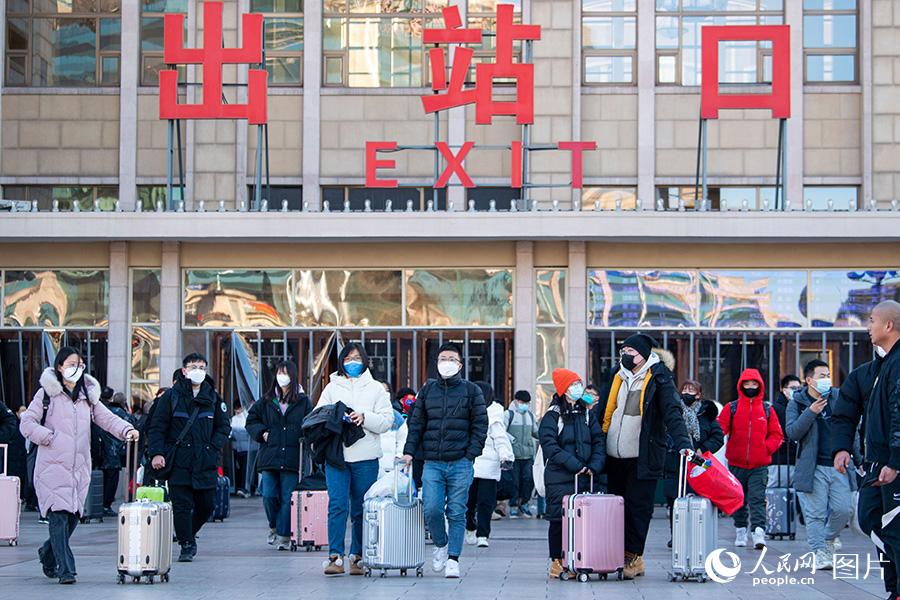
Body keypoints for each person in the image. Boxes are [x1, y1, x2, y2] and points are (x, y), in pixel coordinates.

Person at [19, 347, 138, 584]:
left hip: (78, 468)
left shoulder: (88, 396)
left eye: (80, 364)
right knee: (59, 516)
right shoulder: (46, 395)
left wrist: (126, 430)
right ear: (60, 367)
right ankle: (66, 570)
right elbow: (27, 424)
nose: (77, 368)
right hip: (52, 467)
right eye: (72, 364)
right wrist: (49, 437)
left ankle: (47, 553)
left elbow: (107, 419)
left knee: (72, 517)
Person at [598, 334, 691, 579]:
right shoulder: (617, 375)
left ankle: (634, 556)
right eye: (623, 351)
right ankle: (617, 553)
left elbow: (672, 412)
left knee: (638, 508)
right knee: (617, 508)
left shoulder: (659, 377)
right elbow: (604, 409)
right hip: (614, 455)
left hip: (643, 455)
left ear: (644, 354)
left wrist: (683, 441)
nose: (626, 355)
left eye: (631, 351)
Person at [402, 343, 488, 579]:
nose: (446, 362)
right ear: (437, 363)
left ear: (460, 364)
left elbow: (480, 425)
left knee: (457, 511)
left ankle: (453, 558)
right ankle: (440, 543)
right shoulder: (428, 390)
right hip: (433, 462)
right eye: (442, 358)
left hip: (461, 462)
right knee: (431, 508)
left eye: (451, 358)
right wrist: (409, 451)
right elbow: (416, 423)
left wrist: (471, 454)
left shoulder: (471, 391)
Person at [834, 300, 900, 600]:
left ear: (888, 325)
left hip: (893, 465)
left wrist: (896, 461)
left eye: (872, 320)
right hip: (877, 464)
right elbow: (845, 413)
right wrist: (840, 447)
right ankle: (894, 587)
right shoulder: (870, 371)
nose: (867, 326)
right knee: (870, 518)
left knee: (895, 528)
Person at [317, 343, 393, 576]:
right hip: (337, 456)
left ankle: (357, 556)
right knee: (337, 505)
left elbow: (387, 420)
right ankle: (335, 555)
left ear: (365, 360)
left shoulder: (376, 389)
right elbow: (318, 416)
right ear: (341, 361)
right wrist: (335, 418)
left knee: (361, 508)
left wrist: (364, 417)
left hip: (366, 457)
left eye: (357, 358)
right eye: (348, 357)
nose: (352, 362)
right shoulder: (331, 387)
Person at [147, 353, 231, 563]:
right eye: (194, 366)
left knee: (206, 506)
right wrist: (157, 453)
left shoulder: (212, 397)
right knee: (182, 505)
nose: (198, 370)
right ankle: (186, 544)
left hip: (205, 460)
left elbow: (223, 426)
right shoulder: (171, 397)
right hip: (179, 461)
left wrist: (213, 447)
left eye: (202, 367)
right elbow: (157, 427)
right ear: (184, 371)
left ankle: (188, 533)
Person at [786, 359, 853, 570]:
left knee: (844, 509)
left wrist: (857, 456)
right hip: (811, 467)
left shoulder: (838, 397)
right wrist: (811, 412)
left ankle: (828, 537)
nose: (826, 380)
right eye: (822, 376)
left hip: (838, 465)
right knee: (814, 514)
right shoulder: (796, 402)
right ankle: (819, 552)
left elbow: (852, 426)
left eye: (828, 375)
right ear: (809, 380)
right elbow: (793, 432)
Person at [541, 368, 606, 579]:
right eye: (573, 385)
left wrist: (593, 465)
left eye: (579, 383)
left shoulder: (587, 414)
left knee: (581, 520)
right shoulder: (553, 415)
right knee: (558, 520)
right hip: (560, 476)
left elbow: (598, 441)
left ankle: (578, 559)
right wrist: (574, 464)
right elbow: (549, 445)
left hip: (586, 475)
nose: (578, 388)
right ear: (563, 389)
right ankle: (557, 562)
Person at [246, 360, 313, 550]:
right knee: (268, 494)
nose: (281, 377)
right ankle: (274, 526)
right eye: (279, 372)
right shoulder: (267, 400)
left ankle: (284, 536)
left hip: (293, 457)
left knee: (287, 497)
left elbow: (310, 425)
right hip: (270, 456)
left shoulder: (302, 401)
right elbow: (251, 421)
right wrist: (262, 433)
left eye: (286, 373)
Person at [718, 368, 784, 550]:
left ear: (760, 386)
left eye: (754, 384)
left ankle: (758, 532)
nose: (750, 387)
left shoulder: (767, 409)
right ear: (741, 386)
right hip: (736, 463)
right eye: (747, 384)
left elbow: (777, 435)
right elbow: (719, 429)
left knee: (757, 499)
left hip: (759, 465)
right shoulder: (731, 408)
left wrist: (766, 448)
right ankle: (740, 529)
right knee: (738, 498)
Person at [663, 379, 724, 548]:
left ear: (698, 395)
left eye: (691, 390)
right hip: (675, 461)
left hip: (697, 464)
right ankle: (675, 534)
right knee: (674, 501)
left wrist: (702, 449)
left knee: (696, 499)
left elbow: (718, 438)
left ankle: (695, 533)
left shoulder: (706, 414)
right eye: (685, 390)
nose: (687, 393)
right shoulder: (673, 411)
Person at [465, 381, 514, 548]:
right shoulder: (466, 409)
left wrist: (505, 456)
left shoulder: (494, 414)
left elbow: (501, 438)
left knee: (486, 503)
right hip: (468, 463)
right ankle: (470, 527)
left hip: (489, 465)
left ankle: (482, 534)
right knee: (468, 502)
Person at [97, 390, 133, 516]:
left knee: (102, 480)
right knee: (112, 480)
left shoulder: (104, 411)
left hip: (101, 452)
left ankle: (99, 504)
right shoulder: (122, 414)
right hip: (114, 453)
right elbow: (131, 424)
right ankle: (106, 505)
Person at [507, 389, 539, 518]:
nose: (524, 405)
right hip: (513, 455)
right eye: (522, 402)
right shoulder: (508, 414)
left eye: (526, 402)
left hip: (528, 454)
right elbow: (502, 431)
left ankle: (524, 503)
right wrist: (512, 440)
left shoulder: (530, 416)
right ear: (516, 401)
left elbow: (535, 432)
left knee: (528, 480)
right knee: (514, 481)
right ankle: (514, 505)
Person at [771, 375, 801, 489]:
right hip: (780, 461)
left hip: (797, 462)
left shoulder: (802, 407)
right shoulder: (776, 409)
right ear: (784, 390)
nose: (796, 391)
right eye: (793, 388)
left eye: (799, 388)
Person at [230, 402, 251, 498]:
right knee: (240, 469)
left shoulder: (245, 417)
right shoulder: (234, 419)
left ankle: (244, 487)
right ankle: (240, 487)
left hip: (244, 448)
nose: (237, 411)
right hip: (239, 447)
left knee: (244, 469)